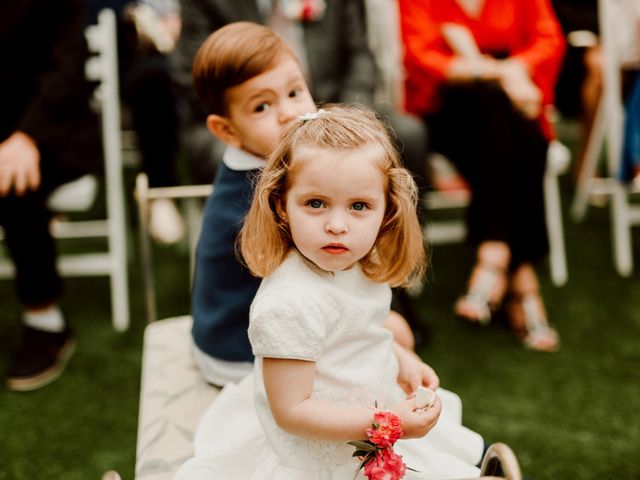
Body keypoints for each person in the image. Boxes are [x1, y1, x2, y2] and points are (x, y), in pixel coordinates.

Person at [175, 104, 486, 479]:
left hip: (368, 412)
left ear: (386, 210)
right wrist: (389, 423)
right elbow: (292, 411)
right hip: (318, 452)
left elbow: (359, 333)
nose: (337, 225)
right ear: (282, 205)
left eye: (359, 206)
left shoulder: (358, 264)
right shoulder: (289, 303)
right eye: (316, 204)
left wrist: (402, 358)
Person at [189, 22, 419, 388]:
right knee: (394, 339)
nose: (287, 113)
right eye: (262, 106)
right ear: (227, 131)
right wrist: (383, 338)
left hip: (268, 322)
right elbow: (317, 279)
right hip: (241, 351)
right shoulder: (260, 193)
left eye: (295, 92)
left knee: (396, 332)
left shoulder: (266, 160)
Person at [398, 0, 565, 352]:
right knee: (502, 113)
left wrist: (512, 69)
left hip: (512, 108)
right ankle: (523, 279)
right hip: (449, 111)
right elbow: (420, 56)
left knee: (506, 120)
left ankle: (496, 254)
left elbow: (549, 41)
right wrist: (496, 72)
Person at [0, 0, 101, 391]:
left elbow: (67, 71)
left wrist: (27, 136)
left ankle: (45, 319)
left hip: (52, 127)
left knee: (13, 179)